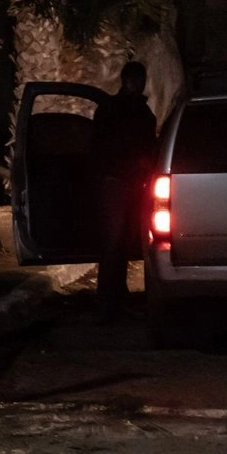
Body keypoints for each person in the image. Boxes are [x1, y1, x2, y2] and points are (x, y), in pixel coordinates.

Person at [90, 61, 158, 322]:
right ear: (126, 81)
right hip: (117, 182)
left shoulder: (133, 111)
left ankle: (114, 300)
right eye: (133, 80)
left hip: (126, 182)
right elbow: (102, 147)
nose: (135, 85)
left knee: (121, 243)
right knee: (114, 243)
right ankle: (108, 304)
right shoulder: (125, 111)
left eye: (138, 80)